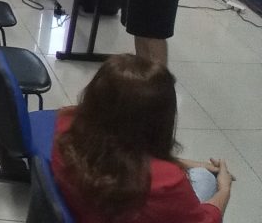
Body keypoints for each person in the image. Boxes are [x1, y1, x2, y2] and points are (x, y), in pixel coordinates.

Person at [52, 54, 232, 222]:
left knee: (200, 171)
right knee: (204, 178)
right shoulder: (166, 182)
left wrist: (189, 163)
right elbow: (205, 220)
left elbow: (119, 153)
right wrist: (224, 189)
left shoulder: (66, 126)